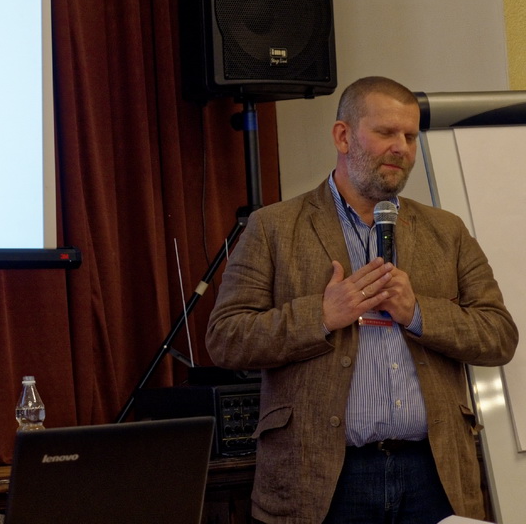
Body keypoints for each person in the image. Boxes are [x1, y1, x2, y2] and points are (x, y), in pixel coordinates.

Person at [206, 76, 518, 524]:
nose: (401, 148)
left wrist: (417, 313)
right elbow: (226, 338)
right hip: (322, 478)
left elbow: (499, 336)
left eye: (410, 136)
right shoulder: (274, 227)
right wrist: (322, 315)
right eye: (386, 132)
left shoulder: (446, 231)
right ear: (343, 136)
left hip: (434, 475)